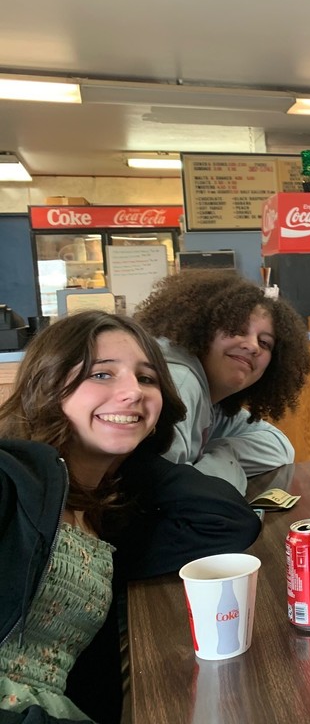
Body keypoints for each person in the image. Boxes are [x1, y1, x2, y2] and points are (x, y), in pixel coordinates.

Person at [0, 310, 261, 723]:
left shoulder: (106, 511)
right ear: (48, 383)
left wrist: (129, 449)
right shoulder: (9, 478)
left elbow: (229, 520)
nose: (133, 391)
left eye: (147, 378)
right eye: (102, 374)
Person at [134, 269, 310, 493]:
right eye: (237, 330)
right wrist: (228, 470)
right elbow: (163, 493)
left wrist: (225, 453)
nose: (252, 346)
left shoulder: (213, 403)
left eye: (265, 343)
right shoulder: (180, 382)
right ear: (202, 327)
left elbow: (279, 446)